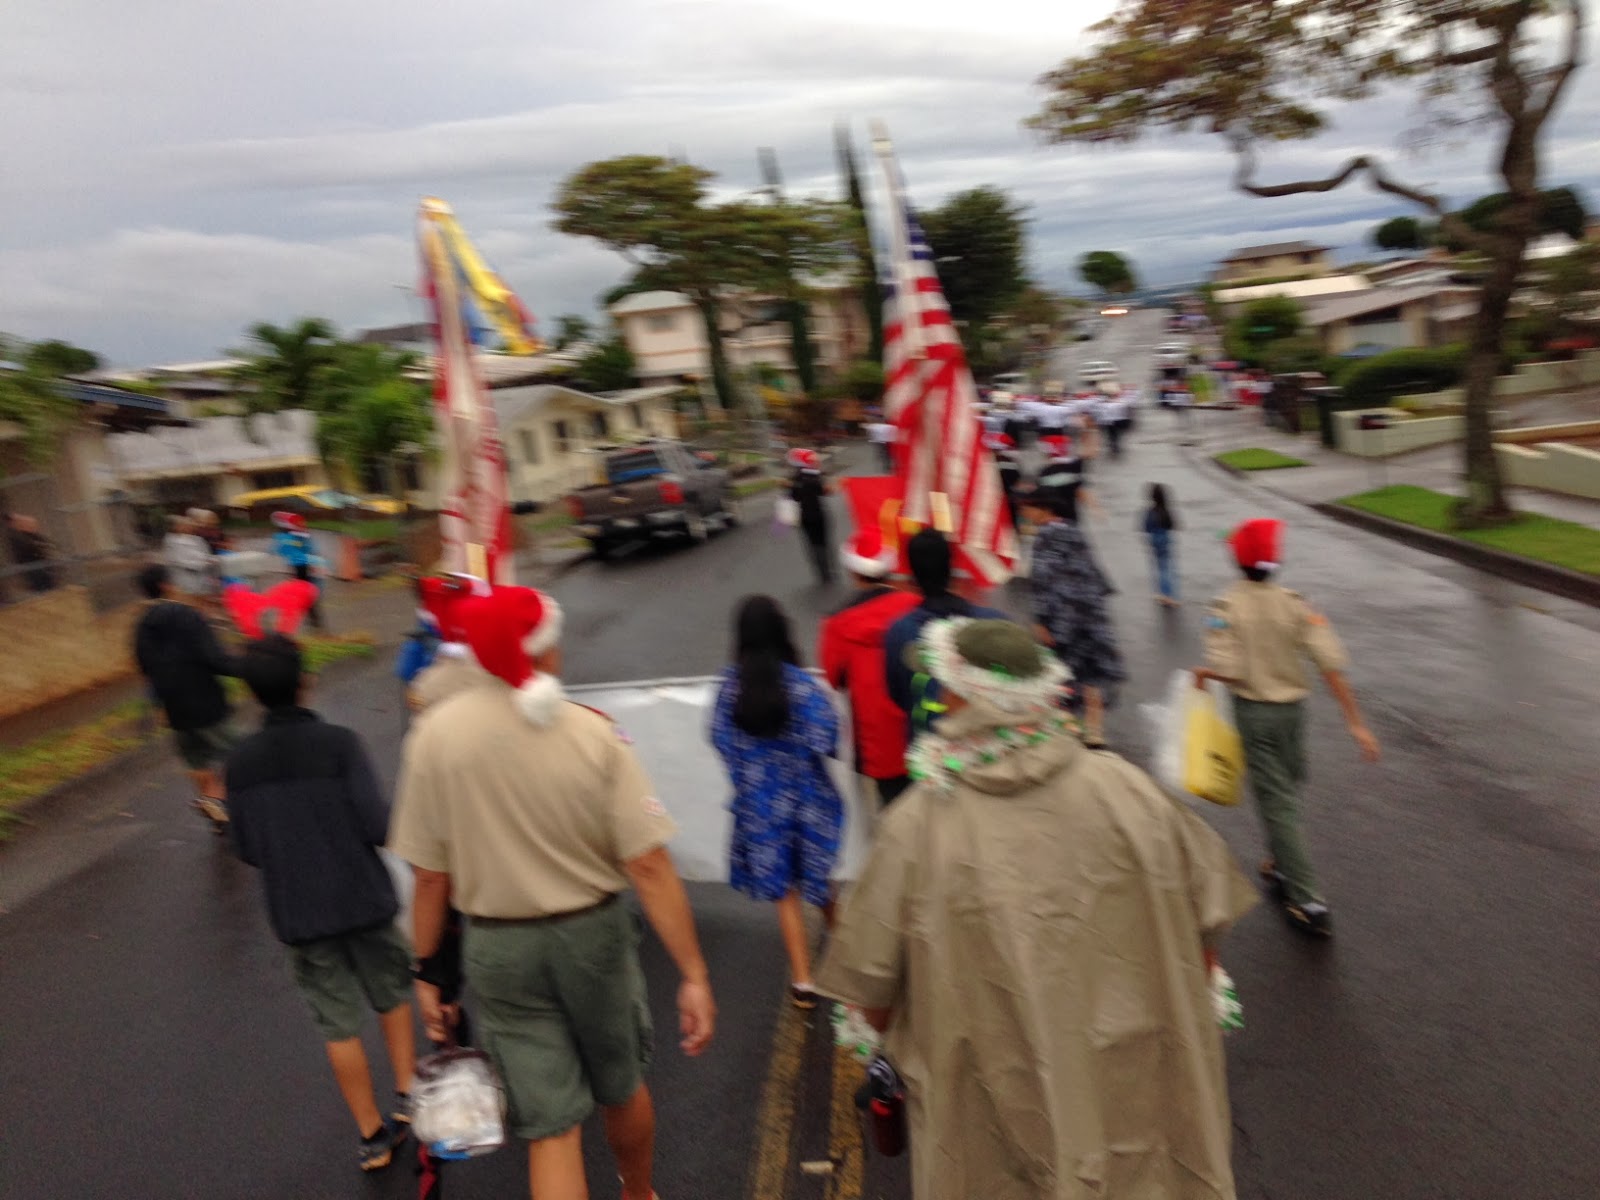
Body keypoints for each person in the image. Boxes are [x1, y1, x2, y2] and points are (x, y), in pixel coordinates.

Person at [817, 618, 1257, 1200]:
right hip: (1132, 1086)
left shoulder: (916, 828)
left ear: (960, 695)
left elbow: (870, 999)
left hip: (990, 1107)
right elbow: (1206, 933)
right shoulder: (1132, 793)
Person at [389, 584, 716, 1200]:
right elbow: (648, 864)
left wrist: (428, 971)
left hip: (499, 949)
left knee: (553, 1128)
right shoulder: (592, 733)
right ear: (544, 652)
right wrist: (692, 972)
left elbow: (430, 877)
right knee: (620, 1084)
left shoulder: (433, 738)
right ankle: (639, 1192)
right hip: (592, 939)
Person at [224, 634, 416, 1172]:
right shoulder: (340, 744)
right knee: (391, 994)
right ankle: (407, 1095)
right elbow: (378, 825)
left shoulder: (238, 764)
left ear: (253, 693)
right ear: (305, 680)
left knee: (338, 1025)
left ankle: (372, 1136)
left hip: (301, 914)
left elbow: (245, 846)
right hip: (363, 897)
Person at [1193, 518, 1381, 938]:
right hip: (1294, 714)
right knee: (1289, 786)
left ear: (1238, 563)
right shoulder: (1298, 605)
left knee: (1278, 800)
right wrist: (1356, 722)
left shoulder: (1224, 607)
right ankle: (1280, 864)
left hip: (1256, 714)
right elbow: (1330, 662)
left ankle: (1308, 899)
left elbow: (1229, 667)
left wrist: (1205, 672)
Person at [712, 595, 845, 1009]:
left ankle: (803, 982)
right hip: (808, 802)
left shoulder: (729, 688)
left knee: (784, 893)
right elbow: (827, 740)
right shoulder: (803, 687)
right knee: (820, 884)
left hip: (760, 808)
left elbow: (719, 739)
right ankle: (848, 955)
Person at [131, 563, 241, 827]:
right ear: (167, 585)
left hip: (174, 707)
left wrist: (158, 706)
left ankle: (211, 804)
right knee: (238, 751)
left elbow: (145, 671)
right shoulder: (188, 615)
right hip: (205, 700)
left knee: (195, 757)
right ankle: (217, 799)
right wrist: (250, 668)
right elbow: (214, 658)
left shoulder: (141, 627)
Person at [818, 528, 920, 808]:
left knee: (895, 813)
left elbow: (833, 678)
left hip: (877, 738)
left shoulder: (837, 623)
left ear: (853, 571)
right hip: (922, 725)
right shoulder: (915, 606)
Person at [1023, 483, 1124, 749]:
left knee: (1064, 677)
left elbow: (1043, 581)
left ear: (1042, 509)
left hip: (1063, 620)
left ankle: (1069, 733)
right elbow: (1093, 571)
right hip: (1089, 615)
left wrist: (1042, 620)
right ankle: (1095, 731)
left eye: (1028, 509)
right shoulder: (1073, 531)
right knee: (1090, 676)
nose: (1026, 515)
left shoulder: (1044, 537)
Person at [883, 529, 1006, 741]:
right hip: (990, 743)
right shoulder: (995, 621)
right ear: (952, 571)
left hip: (931, 745)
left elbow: (899, 695)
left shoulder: (899, 632)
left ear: (913, 579)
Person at [272, 510, 325, 630]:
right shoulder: (293, 534)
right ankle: (312, 619)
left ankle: (311, 618)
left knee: (305, 592)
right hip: (300, 565)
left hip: (302, 565)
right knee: (305, 592)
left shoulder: (292, 534)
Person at [788, 448, 833, 585]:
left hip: (804, 516)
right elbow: (824, 491)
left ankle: (820, 572)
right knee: (823, 542)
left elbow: (793, 497)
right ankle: (827, 571)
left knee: (812, 544)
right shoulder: (814, 476)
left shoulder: (794, 478)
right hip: (818, 513)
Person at [1142, 483, 1181, 607]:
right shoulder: (1166, 510)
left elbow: (1145, 527)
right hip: (1165, 538)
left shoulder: (1149, 511)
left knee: (1157, 566)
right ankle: (1168, 595)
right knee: (1167, 567)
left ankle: (1159, 592)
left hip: (1153, 539)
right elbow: (1173, 525)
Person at [163, 514, 214, 601]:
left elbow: (204, 553)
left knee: (203, 597)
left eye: (188, 525)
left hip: (202, 576)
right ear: (176, 527)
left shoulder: (196, 539)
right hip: (184, 577)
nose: (188, 527)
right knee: (189, 598)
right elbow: (179, 561)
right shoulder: (171, 542)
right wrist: (202, 563)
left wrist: (209, 560)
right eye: (183, 525)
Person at [5, 512, 58, 594]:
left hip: (39, 567)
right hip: (34, 568)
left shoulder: (30, 535)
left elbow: (45, 544)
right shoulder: (16, 536)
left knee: (47, 588)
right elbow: (27, 550)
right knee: (42, 589)